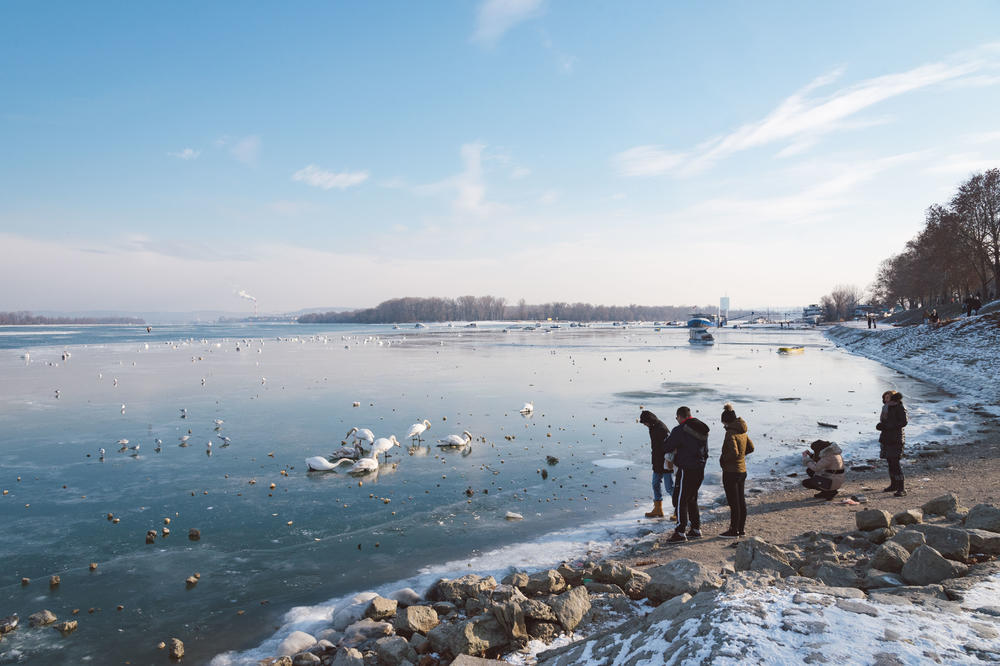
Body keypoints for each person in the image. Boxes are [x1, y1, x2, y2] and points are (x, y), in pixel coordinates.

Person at [663, 406, 710, 542]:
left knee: (680, 499)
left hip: (686, 469)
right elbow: (705, 452)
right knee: (692, 498)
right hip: (700, 468)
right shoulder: (702, 429)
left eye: (677, 418)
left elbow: (667, 446)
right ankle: (695, 529)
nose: (677, 420)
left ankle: (680, 531)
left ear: (679, 416)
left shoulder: (680, 429)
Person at [719, 403, 754, 538]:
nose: (723, 426)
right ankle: (741, 529)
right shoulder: (742, 431)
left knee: (734, 503)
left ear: (726, 422)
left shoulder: (730, 433)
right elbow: (751, 448)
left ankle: (733, 530)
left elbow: (734, 452)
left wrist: (723, 459)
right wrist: (741, 457)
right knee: (741, 501)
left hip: (731, 472)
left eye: (723, 423)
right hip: (742, 470)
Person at [638, 410, 673, 518]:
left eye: (645, 422)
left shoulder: (662, 429)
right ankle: (658, 509)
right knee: (655, 484)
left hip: (666, 462)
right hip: (657, 461)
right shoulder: (652, 428)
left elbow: (671, 446)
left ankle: (679, 509)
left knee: (669, 488)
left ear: (650, 420)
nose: (644, 424)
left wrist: (669, 461)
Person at [877, 390, 908, 497]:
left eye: (888, 397)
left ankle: (901, 488)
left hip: (896, 439)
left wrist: (888, 426)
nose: (886, 399)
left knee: (895, 463)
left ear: (894, 397)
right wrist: (880, 426)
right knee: (890, 462)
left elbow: (904, 422)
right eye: (885, 397)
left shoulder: (899, 407)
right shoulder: (885, 408)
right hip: (886, 438)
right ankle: (893, 485)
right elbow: (885, 423)